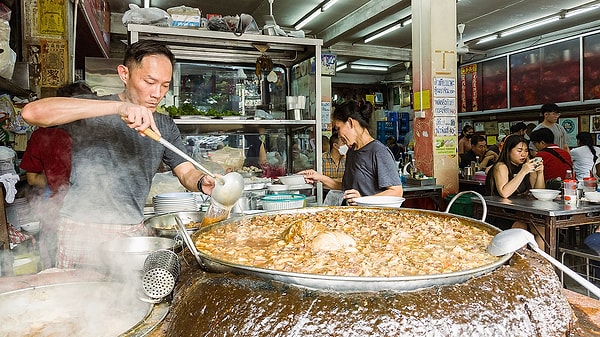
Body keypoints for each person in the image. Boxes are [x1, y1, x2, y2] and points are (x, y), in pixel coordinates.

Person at [21, 40, 218, 269]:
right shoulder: (94, 108)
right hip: (81, 230)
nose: (157, 93)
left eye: (165, 85)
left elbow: (186, 172)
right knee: (80, 302)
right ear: (124, 74)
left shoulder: (164, 125)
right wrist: (118, 108)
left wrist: (202, 181)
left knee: (127, 301)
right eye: (149, 82)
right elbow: (31, 112)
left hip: (131, 230)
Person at [19, 81, 95, 268]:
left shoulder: (42, 135)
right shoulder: (96, 134)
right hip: (94, 213)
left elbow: (32, 179)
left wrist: (55, 179)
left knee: (57, 267)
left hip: (56, 212)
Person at [299, 100, 403, 205]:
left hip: (372, 218)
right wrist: (319, 177)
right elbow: (347, 186)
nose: (338, 135)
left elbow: (397, 192)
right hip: (354, 216)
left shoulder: (378, 151)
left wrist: (362, 200)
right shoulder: (352, 152)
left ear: (350, 122)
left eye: (338, 128)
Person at [485, 135, 545, 246]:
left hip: (521, 212)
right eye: (519, 150)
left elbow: (537, 192)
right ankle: (519, 262)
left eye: (526, 151)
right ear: (508, 151)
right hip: (501, 213)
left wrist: (540, 173)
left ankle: (543, 262)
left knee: (541, 230)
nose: (524, 154)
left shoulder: (525, 166)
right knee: (520, 230)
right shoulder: (501, 166)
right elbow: (504, 193)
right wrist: (523, 172)